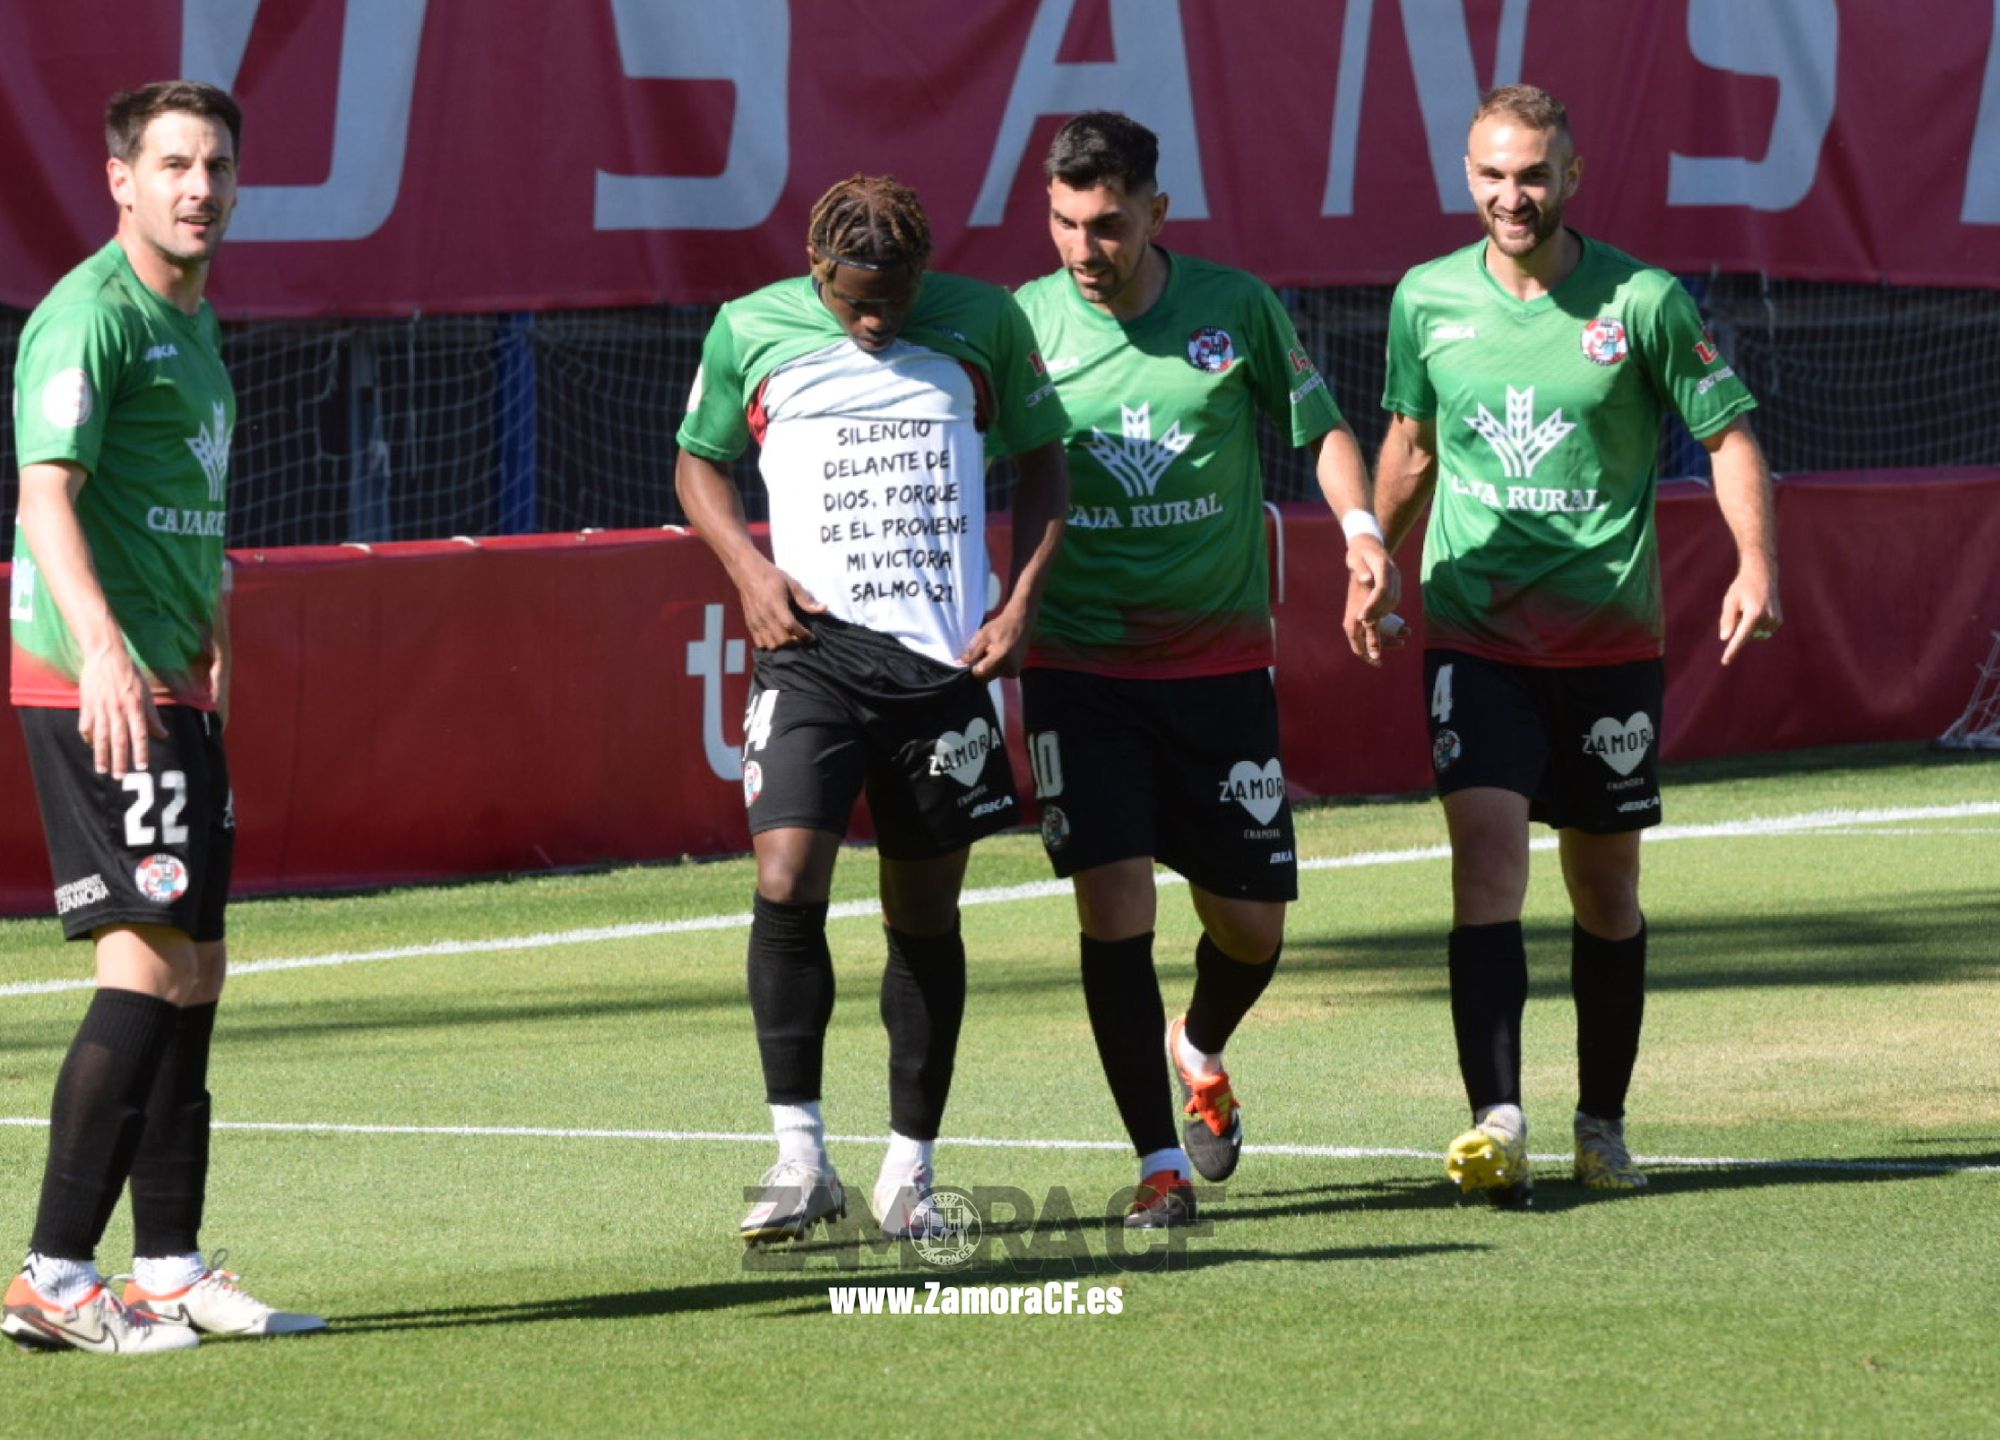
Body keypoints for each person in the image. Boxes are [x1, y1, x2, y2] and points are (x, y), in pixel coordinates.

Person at [1373, 84, 1782, 1208]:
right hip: (1474, 632)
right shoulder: (1425, 301)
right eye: (1493, 175)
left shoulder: (1642, 301)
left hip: (1606, 642)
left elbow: (1727, 435)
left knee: (1604, 887)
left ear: (1571, 176)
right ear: (1468, 176)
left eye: (1533, 175)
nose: (1513, 196)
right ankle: (1493, 1120)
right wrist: (1371, 557)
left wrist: (1755, 565)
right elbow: (1409, 443)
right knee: (1486, 863)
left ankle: (1599, 1126)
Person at [1013, 112, 1398, 1227]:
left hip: (1219, 668)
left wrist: (1362, 532)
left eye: (1107, 223)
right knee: (1114, 910)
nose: (1085, 246)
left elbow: (1319, 428)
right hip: (1079, 667)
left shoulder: (1233, 309)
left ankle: (1201, 1043)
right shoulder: (1019, 325)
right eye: (1064, 222)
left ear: (1154, 212)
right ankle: (1155, 1165)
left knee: (1250, 928)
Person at [675, 174, 1070, 1244]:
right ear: (817, 272)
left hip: (940, 669)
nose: (873, 318)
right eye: (854, 297)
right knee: (785, 873)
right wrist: (750, 574)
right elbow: (698, 465)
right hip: (809, 656)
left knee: (922, 915)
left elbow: (1043, 460)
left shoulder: (983, 323)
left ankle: (910, 1170)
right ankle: (799, 1159)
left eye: (891, 297)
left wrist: (1021, 601)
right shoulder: (749, 328)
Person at [1, 81, 324, 1352]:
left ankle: (170, 1267)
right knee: (142, 956)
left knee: (196, 967)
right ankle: (54, 1273)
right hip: (98, 686)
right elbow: (44, 497)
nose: (200, 186)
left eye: (219, 166)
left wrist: (214, 644)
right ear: (119, 179)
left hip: (175, 680)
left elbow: (186, 512)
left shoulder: (195, 322)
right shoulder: (90, 315)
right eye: (175, 164)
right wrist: (102, 654)